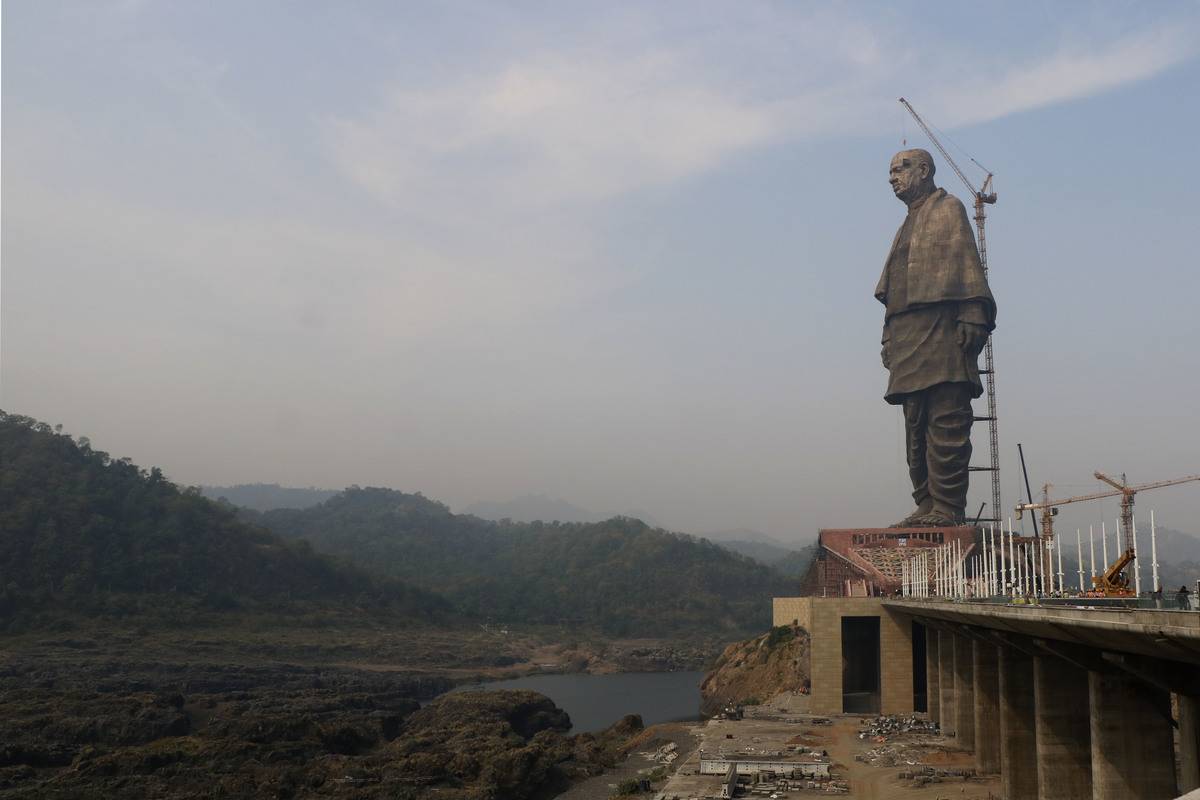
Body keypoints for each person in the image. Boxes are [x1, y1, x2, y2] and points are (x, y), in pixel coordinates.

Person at [877, 149, 997, 528]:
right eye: (891, 171)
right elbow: (892, 287)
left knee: (946, 419)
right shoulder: (905, 225)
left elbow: (966, 262)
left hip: (944, 329)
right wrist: (888, 337)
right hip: (907, 334)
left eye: (901, 168)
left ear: (924, 170)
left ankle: (947, 506)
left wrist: (973, 312)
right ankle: (926, 503)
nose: (893, 177)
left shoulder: (949, 208)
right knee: (915, 425)